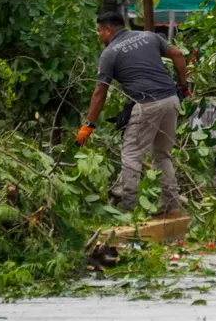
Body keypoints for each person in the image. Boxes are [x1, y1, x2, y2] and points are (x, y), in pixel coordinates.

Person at [77, 11, 190, 215]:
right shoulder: (149, 36)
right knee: (163, 155)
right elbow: (178, 54)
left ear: (108, 30)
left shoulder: (109, 53)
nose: (98, 36)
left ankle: (129, 209)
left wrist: (88, 125)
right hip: (171, 100)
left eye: (99, 32)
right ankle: (171, 206)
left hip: (147, 104)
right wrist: (183, 86)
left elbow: (99, 93)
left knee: (131, 155)